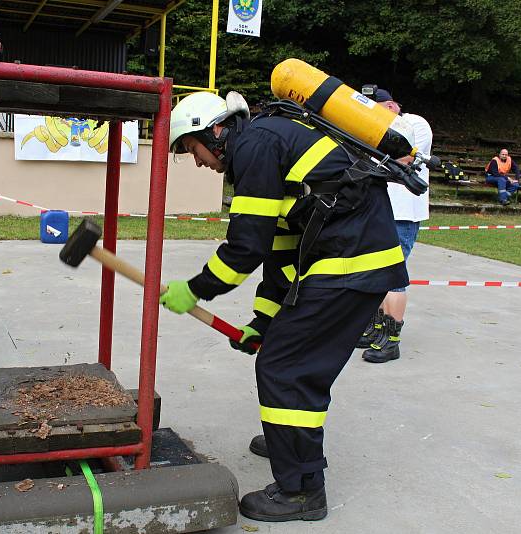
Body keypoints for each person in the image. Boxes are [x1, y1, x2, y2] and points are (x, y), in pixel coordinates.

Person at [160, 91, 408, 522]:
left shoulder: (256, 146)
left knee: (286, 369)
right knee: (284, 358)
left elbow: (245, 247)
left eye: (190, 148)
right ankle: (286, 444)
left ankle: (301, 490)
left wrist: (196, 288)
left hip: (350, 265)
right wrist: (264, 321)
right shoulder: (268, 144)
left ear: (215, 132)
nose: (196, 161)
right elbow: (280, 252)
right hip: (350, 263)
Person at [355, 88, 433, 364]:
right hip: (379, 209)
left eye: (376, 110)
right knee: (375, 272)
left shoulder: (415, 124)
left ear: (390, 106)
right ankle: (375, 329)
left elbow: (402, 160)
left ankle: (391, 339)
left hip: (403, 213)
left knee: (393, 277)